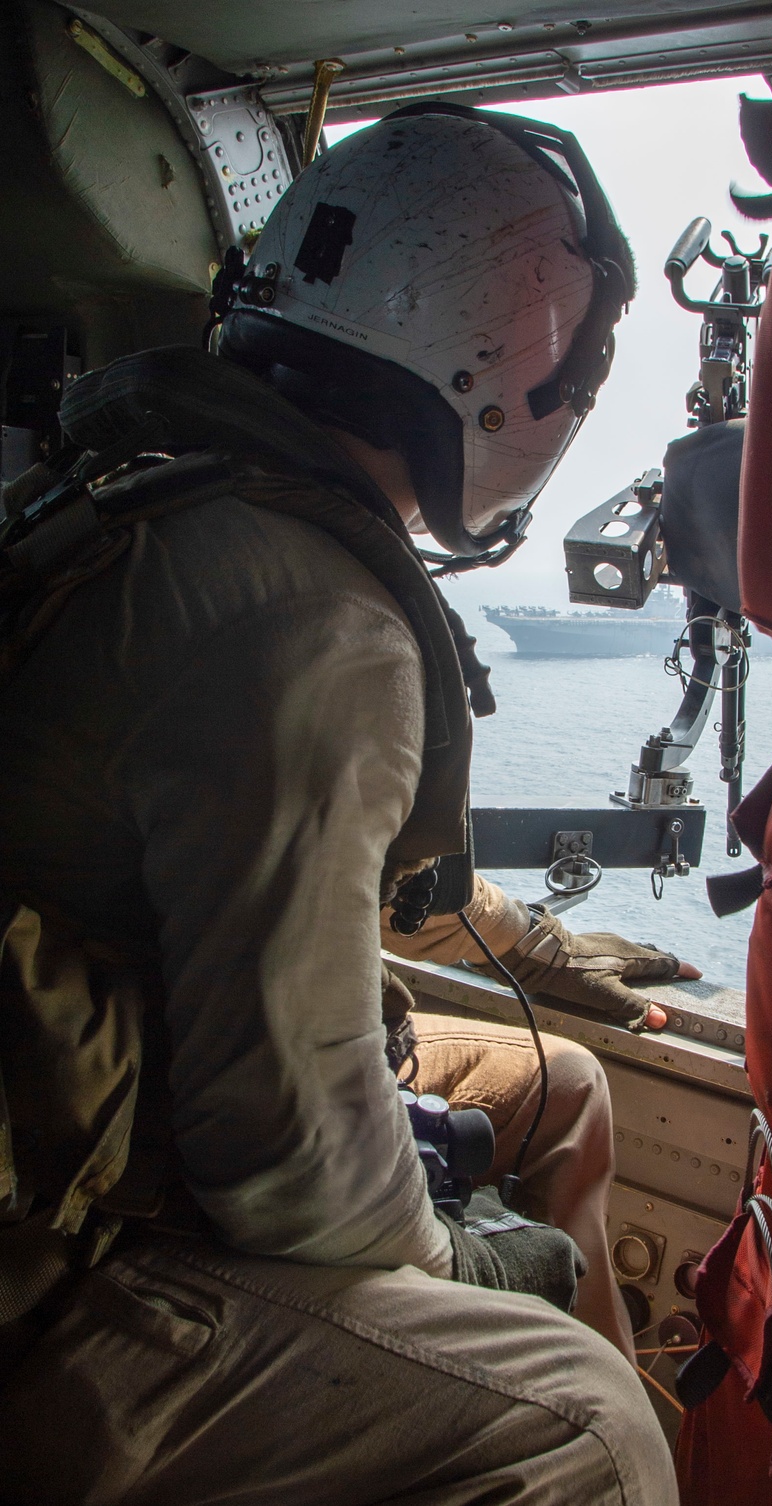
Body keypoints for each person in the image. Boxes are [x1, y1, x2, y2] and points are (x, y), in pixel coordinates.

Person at [0, 103, 691, 1503]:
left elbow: (344, 876)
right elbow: (295, 1174)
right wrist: (476, 1267)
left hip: (111, 1087)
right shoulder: (316, 624)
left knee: (563, 1086)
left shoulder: (166, 506)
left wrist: (557, 961)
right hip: (56, 1252)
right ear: (508, 388)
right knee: (591, 1431)